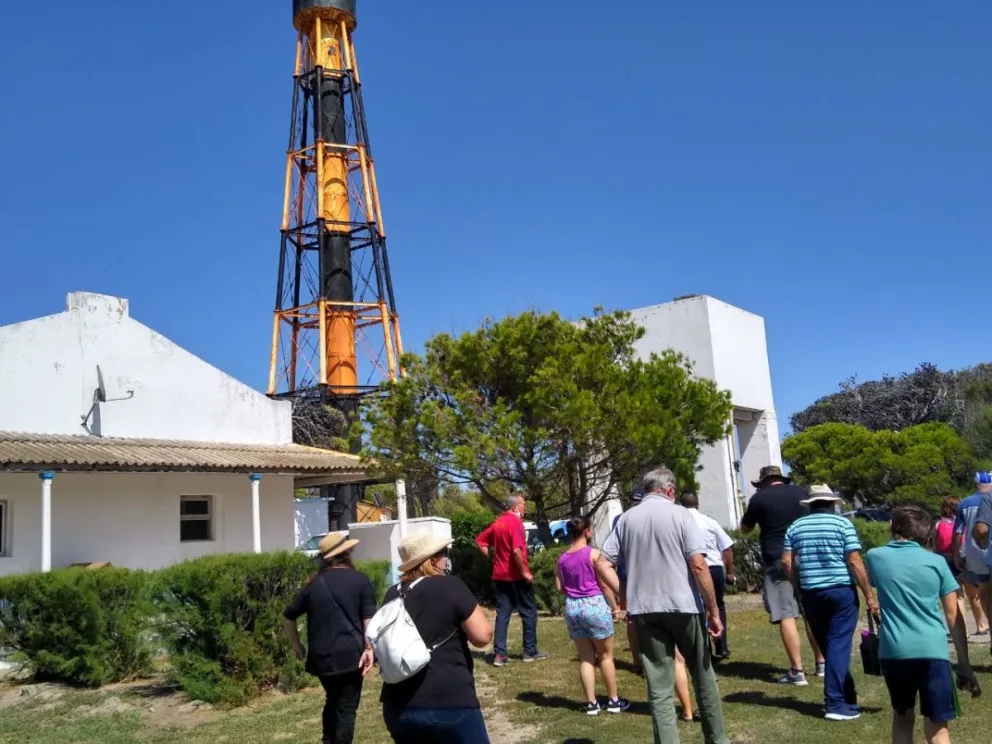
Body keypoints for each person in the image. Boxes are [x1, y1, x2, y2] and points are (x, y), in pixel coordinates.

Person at [599, 466, 732, 744]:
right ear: (670, 490)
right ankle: (717, 739)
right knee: (703, 676)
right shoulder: (681, 515)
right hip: (683, 606)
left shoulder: (626, 520)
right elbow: (698, 564)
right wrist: (714, 611)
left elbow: (602, 562)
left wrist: (625, 593)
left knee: (659, 687)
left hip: (645, 610)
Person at [867, 505, 981, 744]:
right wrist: (964, 664)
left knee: (902, 719)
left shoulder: (875, 557)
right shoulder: (937, 563)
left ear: (892, 527)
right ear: (926, 532)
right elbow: (953, 616)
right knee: (938, 728)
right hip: (933, 651)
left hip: (894, 651)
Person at [379, 531, 494, 743]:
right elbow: (482, 635)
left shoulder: (392, 593)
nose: (446, 557)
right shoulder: (451, 586)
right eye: (443, 552)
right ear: (431, 560)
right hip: (447, 700)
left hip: (398, 704)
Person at [781, 485, 878, 722]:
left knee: (829, 645)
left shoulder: (796, 527)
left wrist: (798, 588)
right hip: (840, 590)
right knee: (838, 644)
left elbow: (786, 562)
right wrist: (869, 594)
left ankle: (847, 695)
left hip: (811, 591)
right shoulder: (843, 525)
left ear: (811, 504)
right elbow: (854, 562)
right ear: (832, 503)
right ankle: (835, 703)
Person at [283, 533, 376, 744]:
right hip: (351, 655)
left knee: (332, 699)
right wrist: (369, 648)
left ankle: (328, 740)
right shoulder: (360, 581)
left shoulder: (313, 585)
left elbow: (289, 617)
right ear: (347, 553)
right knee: (346, 709)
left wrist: (296, 645)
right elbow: (368, 620)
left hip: (321, 656)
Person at [740, 465, 825, 685]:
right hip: (805, 555)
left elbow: (745, 528)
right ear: (782, 479)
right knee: (811, 611)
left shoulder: (759, 499)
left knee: (786, 613)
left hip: (776, 557)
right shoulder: (801, 493)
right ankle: (821, 662)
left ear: (763, 482)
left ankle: (797, 670)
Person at [555, 515, 630, 715]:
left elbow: (559, 587)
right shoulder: (594, 554)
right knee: (606, 656)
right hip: (594, 604)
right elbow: (605, 585)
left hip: (573, 607)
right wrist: (616, 607)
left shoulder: (562, 557)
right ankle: (614, 700)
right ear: (588, 531)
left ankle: (591, 703)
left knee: (585, 657)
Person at [475, 494, 547, 666]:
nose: (525, 508)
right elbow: (516, 551)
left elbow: (480, 541)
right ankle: (529, 651)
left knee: (503, 614)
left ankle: (500, 655)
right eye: (523, 505)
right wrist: (524, 573)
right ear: (515, 507)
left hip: (500, 577)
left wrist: (492, 559)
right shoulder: (515, 523)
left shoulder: (498, 522)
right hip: (516, 577)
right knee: (528, 612)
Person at [682, 492, 735, 659]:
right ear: (697, 503)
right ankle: (722, 646)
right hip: (714, 567)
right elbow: (726, 547)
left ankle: (704, 648)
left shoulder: (681, 521)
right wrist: (730, 572)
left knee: (698, 608)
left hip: (693, 568)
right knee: (717, 606)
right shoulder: (709, 521)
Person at [952, 475, 990, 635]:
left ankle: (982, 623)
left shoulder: (965, 503)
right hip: (989, 549)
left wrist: (956, 555)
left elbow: (958, 532)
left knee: (982, 593)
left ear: (975, 484)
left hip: (975, 552)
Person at [612, 488, 644, 674]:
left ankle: (636, 661)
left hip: (625, 574)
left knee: (631, 617)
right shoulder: (647, 517)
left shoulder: (620, 519)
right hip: (644, 573)